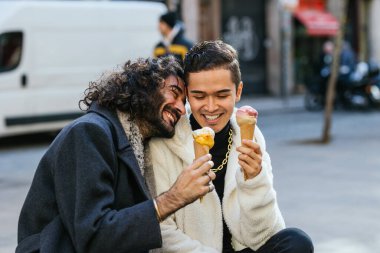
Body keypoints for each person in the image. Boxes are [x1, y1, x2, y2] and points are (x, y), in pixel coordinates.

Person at [16, 56, 216, 253]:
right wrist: (175, 197)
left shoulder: (136, 142)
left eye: (184, 101)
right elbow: (93, 236)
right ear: (145, 86)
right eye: (174, 92)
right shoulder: (89, 133)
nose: (181, 108)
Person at [149, 40, 314, 252]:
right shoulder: (166, 141)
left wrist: (254, 181)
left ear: (238, 92)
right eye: (199, 96)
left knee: (296, 241)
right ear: (187, 94)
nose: (210, 107)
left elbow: (262, 235)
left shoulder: (250, 136)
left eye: (222, 95)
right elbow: (163, 233)